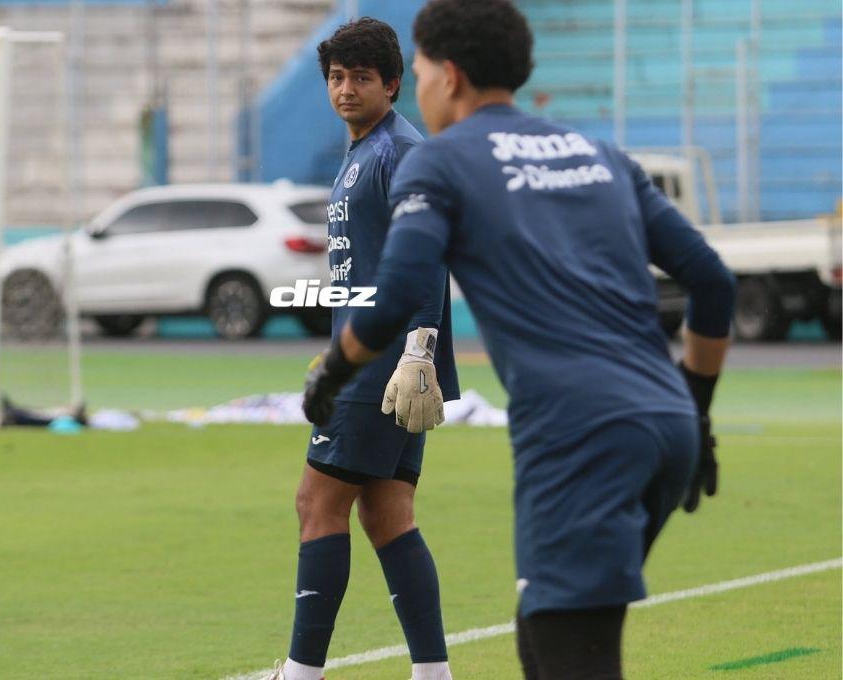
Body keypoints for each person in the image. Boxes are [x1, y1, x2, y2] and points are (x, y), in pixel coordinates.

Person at [302, 1, 736, 678]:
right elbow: (712, 280)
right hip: (670, 424)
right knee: (548, 630)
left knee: (570, 652)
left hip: (579, 433)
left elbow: (398, 290)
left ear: (448, 75)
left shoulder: (440, 162)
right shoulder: (598, 154)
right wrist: (698, 408)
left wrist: (332, 372)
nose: (418, 87)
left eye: (419, 71)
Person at [267, 17, 460, 680]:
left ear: (393, 83)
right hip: (374, 359)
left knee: (316, 503)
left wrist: (418, 350)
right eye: (336, 77)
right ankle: (433, 674)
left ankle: (301, 674)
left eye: (361, 77)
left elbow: (427, 255)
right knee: (386, 514)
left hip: (385, 365)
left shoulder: (397, 152)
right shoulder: (364, 152)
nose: (346, 89)